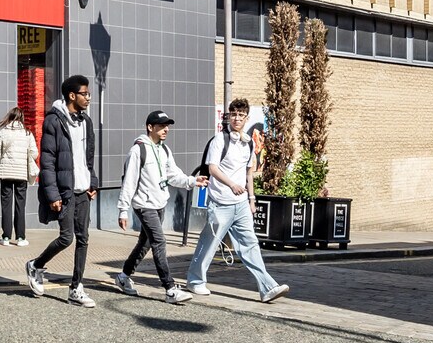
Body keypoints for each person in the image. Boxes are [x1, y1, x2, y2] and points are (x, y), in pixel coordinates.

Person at [184, 98, 289, 304]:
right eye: (233, 115)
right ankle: (195, 280)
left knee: (250, 244)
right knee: (210, 242)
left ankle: (267, 287)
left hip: (241, 204)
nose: (237, 118)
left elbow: (249, 173)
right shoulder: (219, 141)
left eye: (241, 115)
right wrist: (231, 184)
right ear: (228, 116)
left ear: (247, 118)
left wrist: (251, 198)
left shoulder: (249, 143)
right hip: (220, 201)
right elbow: (213, 169)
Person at [25, 75, 99, 307]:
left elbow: (88, 158)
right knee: (67, 238)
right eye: (85, 94)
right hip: (65, 191)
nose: (88, 98)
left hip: (82, 190)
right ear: (72, 95)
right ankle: (36, 265)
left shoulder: (86, 121)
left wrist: (92, 182)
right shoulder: (54, 121)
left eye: (88, 94)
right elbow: (47, 161)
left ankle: (76, 288)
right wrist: (53, 194)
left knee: (83, 238)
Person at [114, 109, 198, 304]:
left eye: (167, 126)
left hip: (160, 203)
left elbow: (173, 175)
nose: (165, 130)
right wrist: (123, 209)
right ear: (150, 127)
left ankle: (123, 277)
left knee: (145, 243)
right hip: (144, 205)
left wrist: (192, 181)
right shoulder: (138, 150)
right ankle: (170, 289)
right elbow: (129, 181)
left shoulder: (165, 150)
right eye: (161, 126)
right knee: (159, 242)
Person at [0, 106, 34, 248]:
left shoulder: (3, 132)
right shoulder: (27, 133)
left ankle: (6, 237)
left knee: (6, 205)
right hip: (21, 174)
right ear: (21, 119)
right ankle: (21, 237)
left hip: (6, 173)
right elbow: (34, 153)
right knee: (20, 205)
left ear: (9, 117)